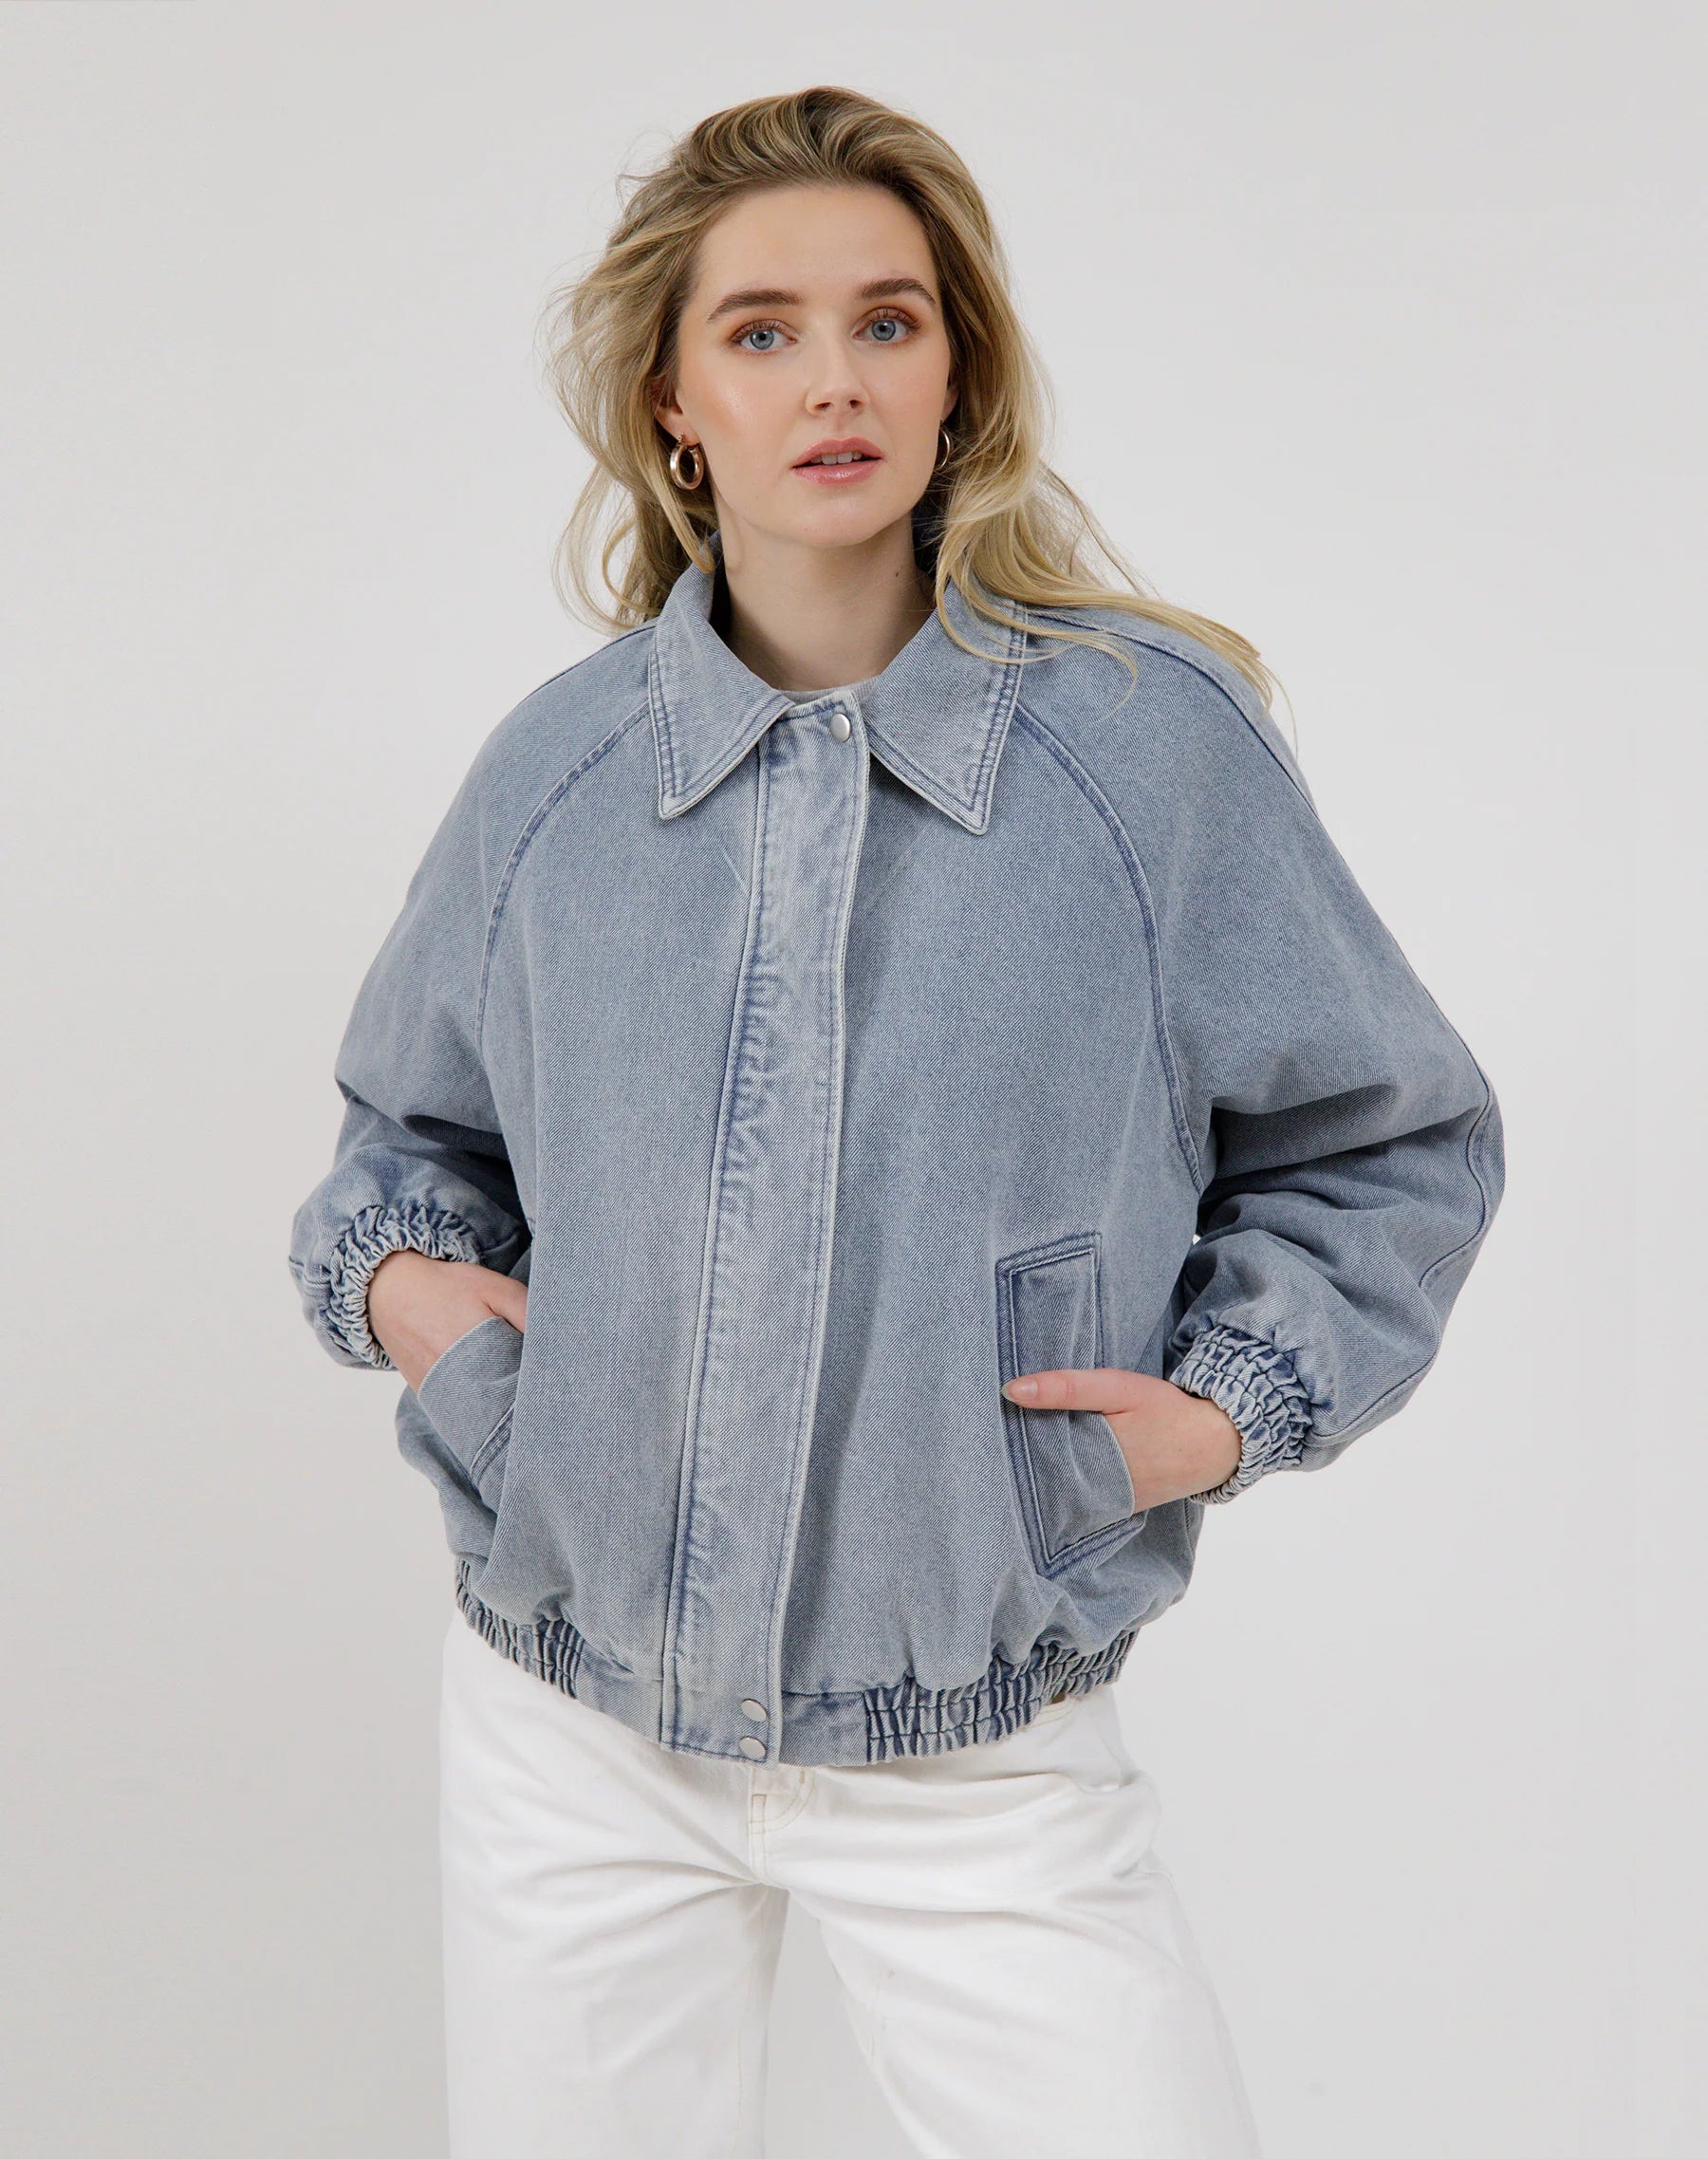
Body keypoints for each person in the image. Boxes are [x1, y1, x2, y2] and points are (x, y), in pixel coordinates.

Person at [288, 84, 1504, 2159]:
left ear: (960, 377)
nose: (832, 379)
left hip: (976, 1748)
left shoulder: (1144, 755)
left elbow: (1390, 1140)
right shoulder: (558, 779)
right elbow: (409, 1142)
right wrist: (440, 1323)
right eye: (761, 331)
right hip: (574, 1731)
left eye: (888, 321)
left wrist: (1205, 1419)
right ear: (675, 406)